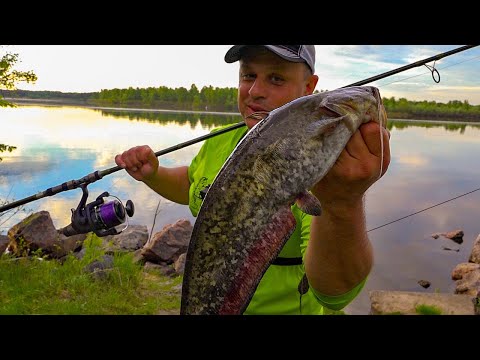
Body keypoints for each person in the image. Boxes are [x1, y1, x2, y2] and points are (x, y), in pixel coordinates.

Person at [115, 45, 391, 315]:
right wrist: (154, 174)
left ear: (309, 87)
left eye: (276, 78)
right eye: (248, 75)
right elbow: (192, 185)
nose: (255, 91)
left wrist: (342, 202)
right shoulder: (221, 139)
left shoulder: (321, 167)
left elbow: (334, 293)